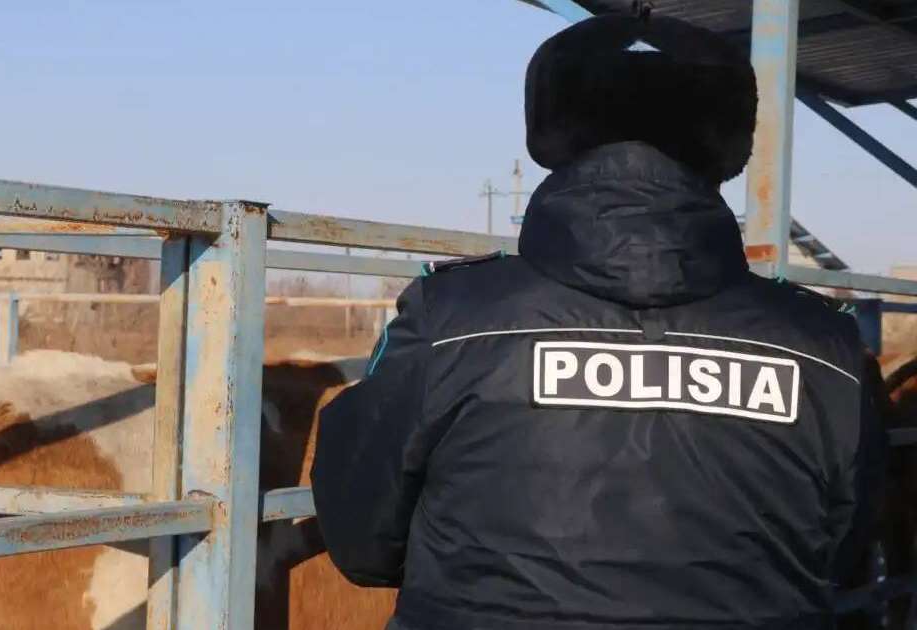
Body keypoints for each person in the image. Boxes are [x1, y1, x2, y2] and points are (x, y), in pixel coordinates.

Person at [310, 12, 887, 630]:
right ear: (728, 142)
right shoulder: (824, 346)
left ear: (553, 127)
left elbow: (363, 544)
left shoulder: (449, 318)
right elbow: (844, 551)